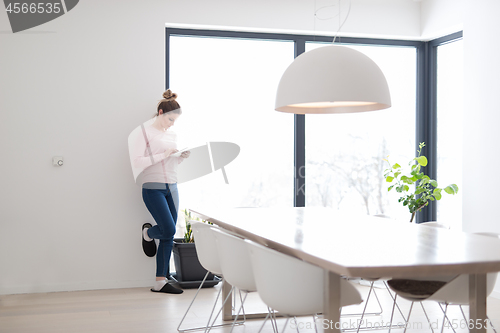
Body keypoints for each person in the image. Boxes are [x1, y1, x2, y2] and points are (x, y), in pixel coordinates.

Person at [129, 89, 190, 294]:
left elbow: (169, 161)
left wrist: (180, 156)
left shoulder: (171, 134)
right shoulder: (143, 133)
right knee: (169, 229)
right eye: (170, 119)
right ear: (161, 112)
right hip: (152, 187)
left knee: (168, 235)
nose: (172, 124)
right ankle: (147, 233)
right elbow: (137, 162)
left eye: (175, 121)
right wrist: (163, 155)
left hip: (172, 186)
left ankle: (160, 281)